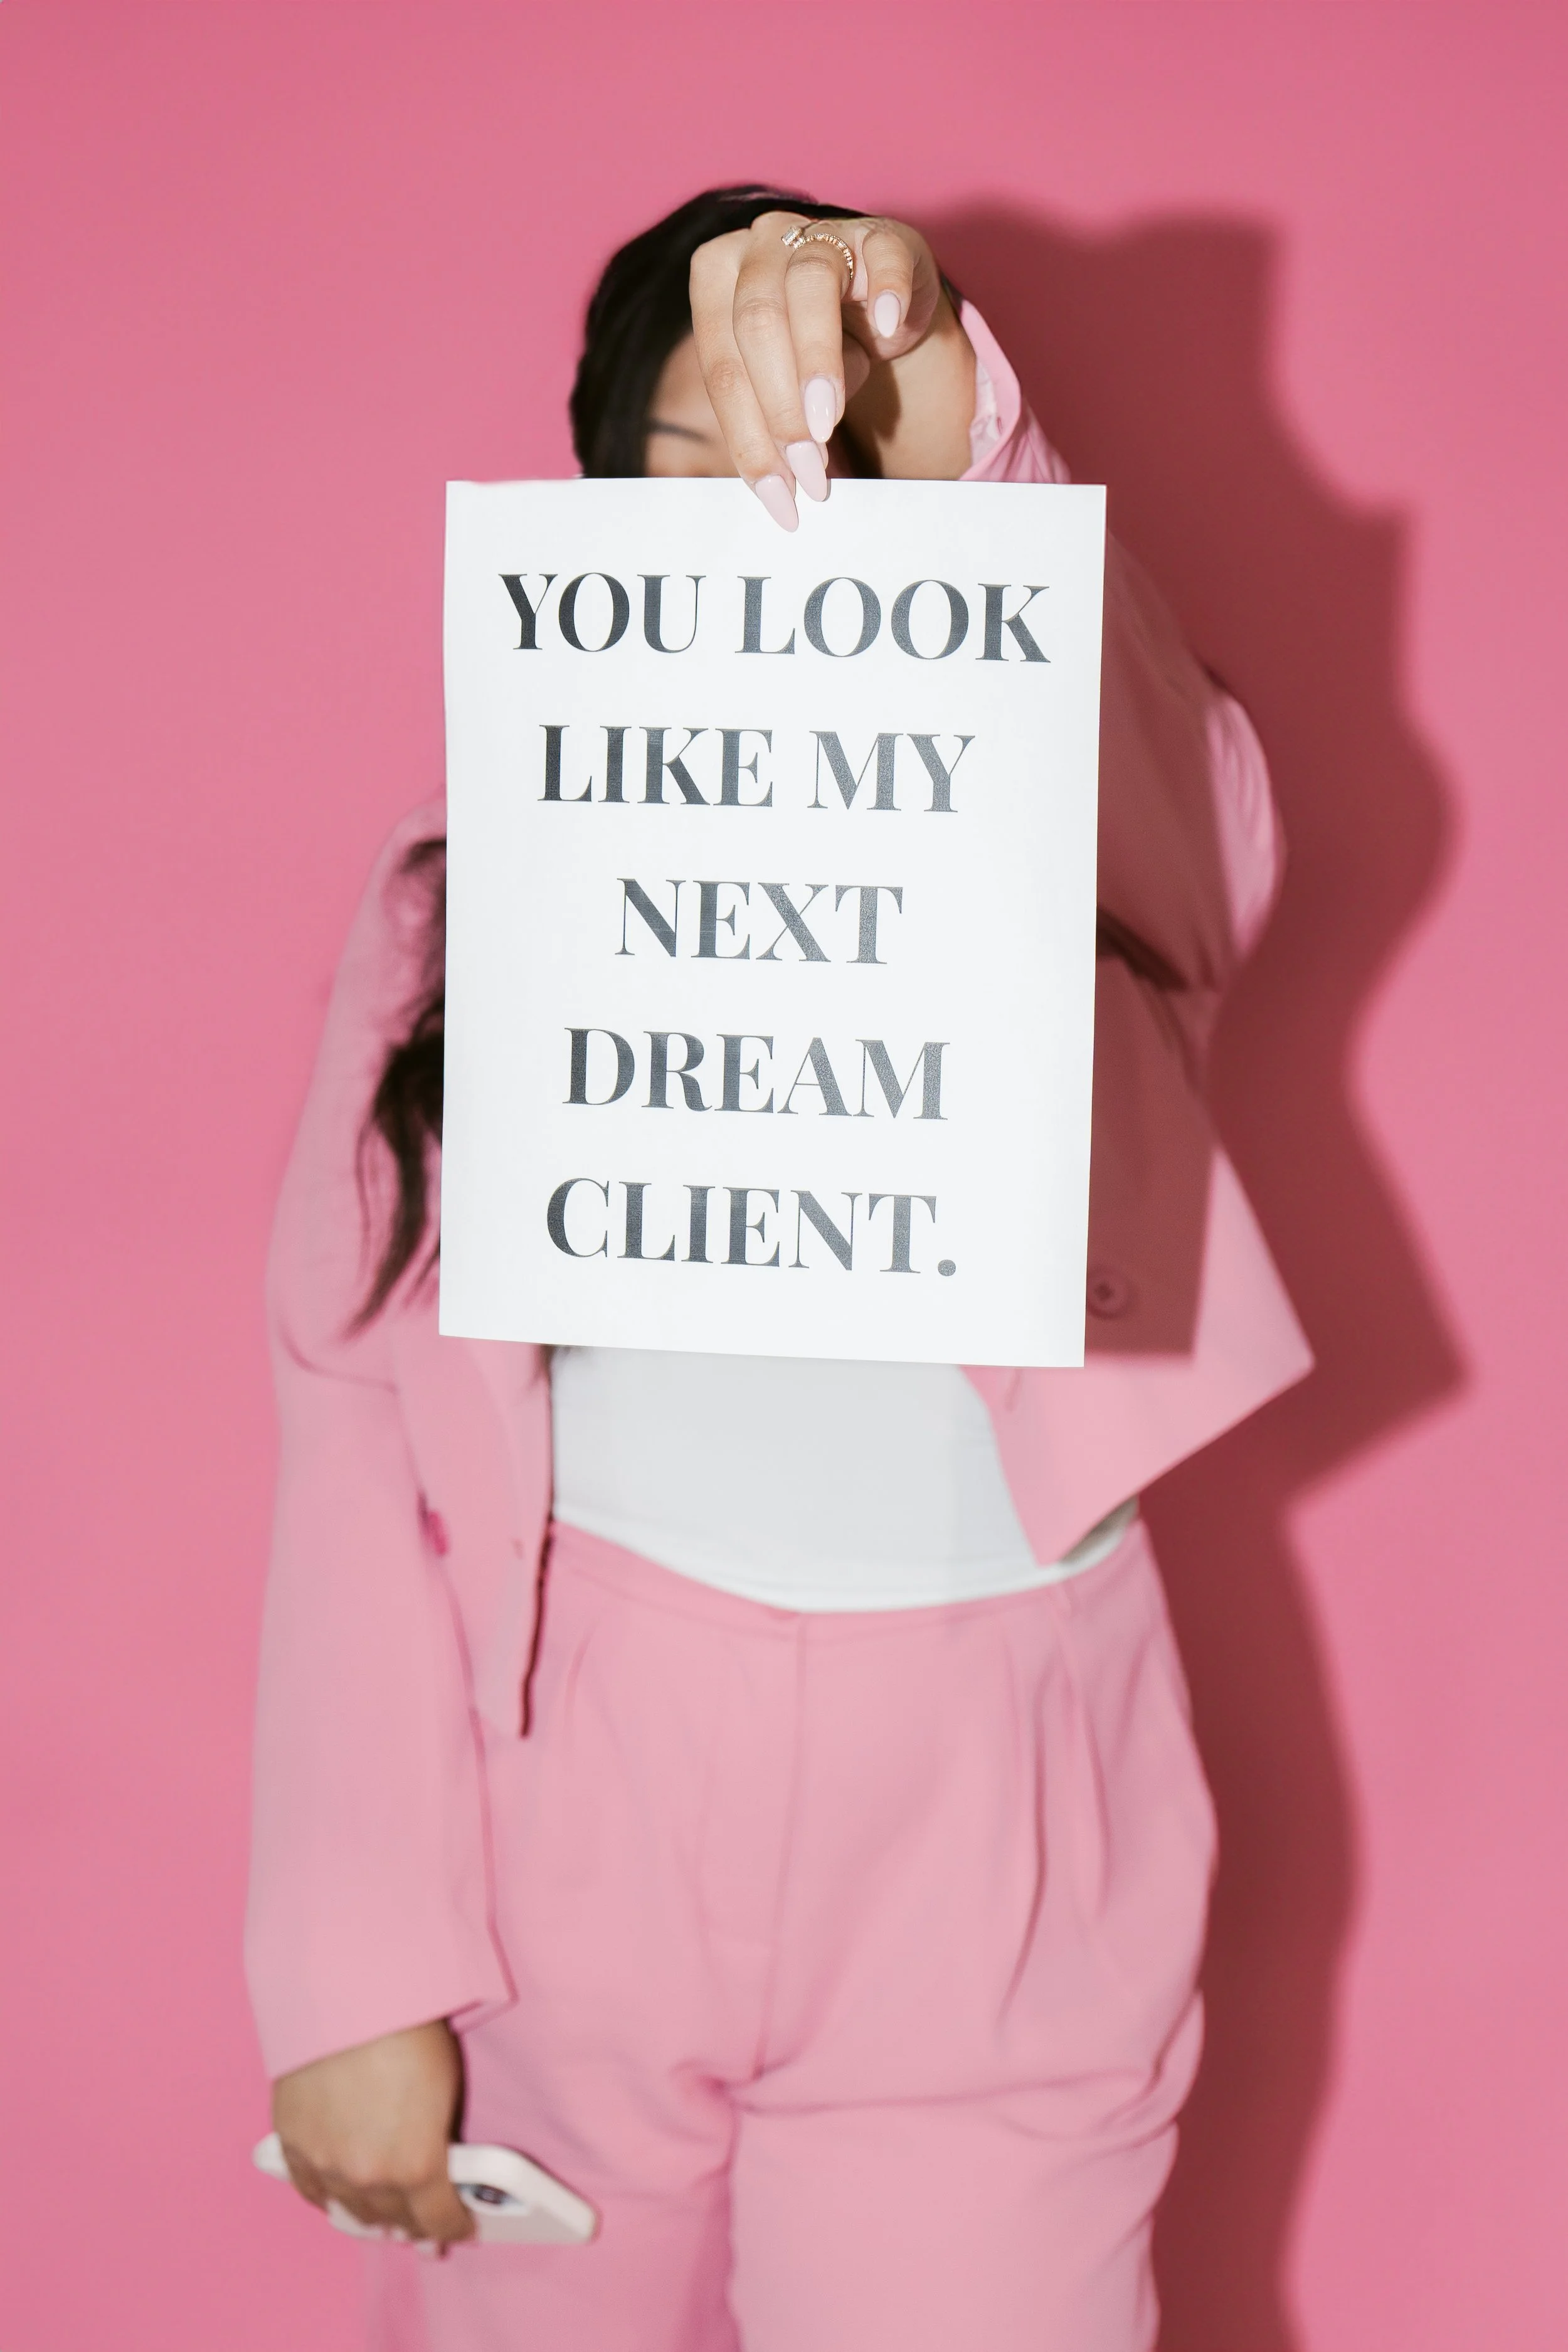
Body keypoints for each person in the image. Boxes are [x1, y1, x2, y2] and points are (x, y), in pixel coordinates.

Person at [247, 185, 1311, 2352]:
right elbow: (347, 1393)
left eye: (831, 482)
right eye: (706, 487)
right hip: (576, 1797)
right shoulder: (464, 901)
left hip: (1007, 1794)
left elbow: (1208, 823)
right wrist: (351, 1957)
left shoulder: (1091, 841)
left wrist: (958, 439)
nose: (780, 538)